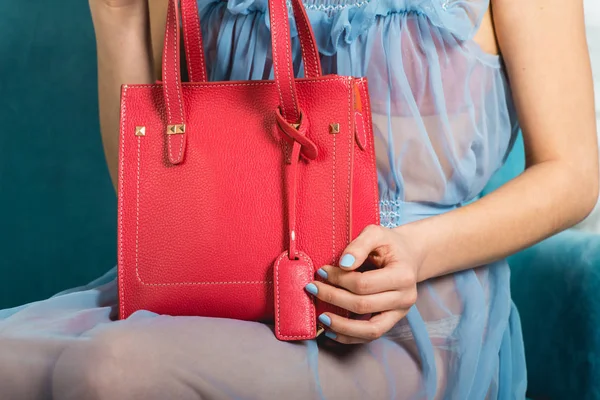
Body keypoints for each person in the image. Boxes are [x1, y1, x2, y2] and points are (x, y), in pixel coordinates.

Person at [0, 0, 597, 398]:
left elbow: (573, 174)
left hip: (401, 309)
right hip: (218, 284)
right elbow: (158, 186)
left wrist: (416, 252)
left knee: (114, 368)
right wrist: (116, 19)